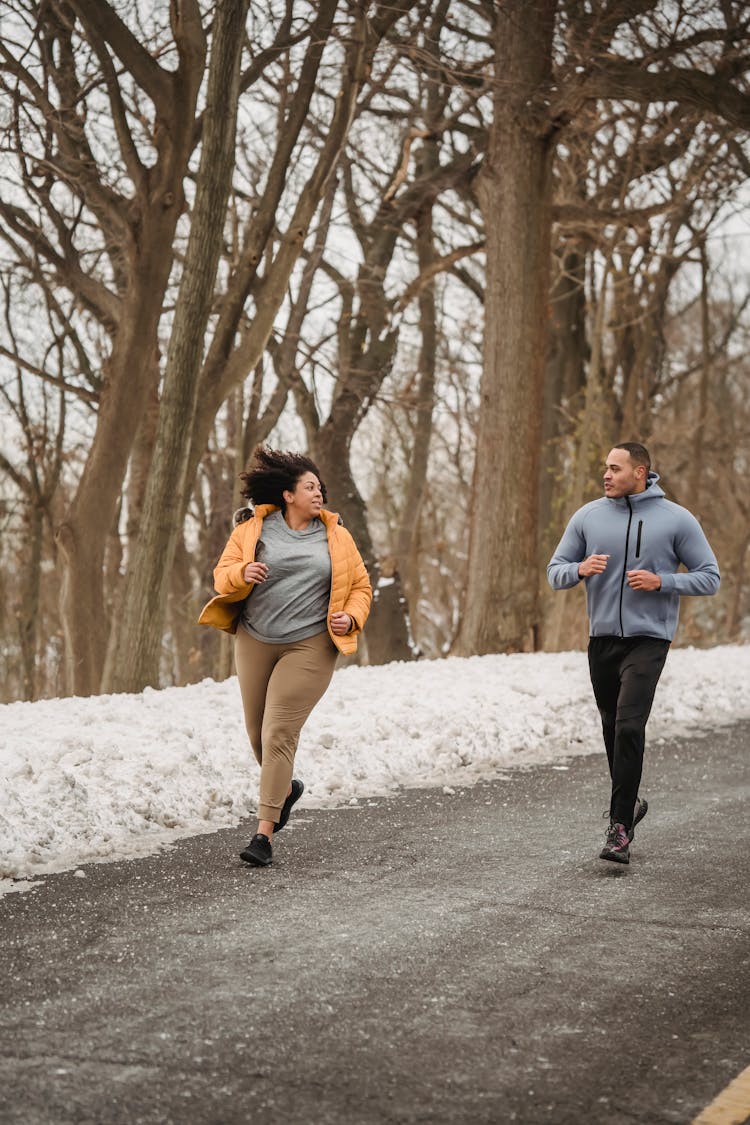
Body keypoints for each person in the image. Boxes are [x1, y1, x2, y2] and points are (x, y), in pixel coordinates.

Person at [198, 446, 372, 868]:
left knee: (278, 733)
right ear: (288, 494)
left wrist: (351, 616)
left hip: (309, 644)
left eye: (320, 488)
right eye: (309, 486)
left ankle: (263, 834)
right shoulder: (253, 529)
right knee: (258, 733)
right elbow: (223, 574)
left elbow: (361, 587)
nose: (319, 493)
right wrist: (243, 574)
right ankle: (286, 788)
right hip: (255, 639)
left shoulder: (337, 536)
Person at [547, 442, 720, 865]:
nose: (606, 475)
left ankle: (619, 828)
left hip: (649, 639)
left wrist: (663, 582)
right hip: (602, 639)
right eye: (604, 467)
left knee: (628, 726)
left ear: (640, 472)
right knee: (612, 728)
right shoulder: (587, 516)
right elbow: (556, 572)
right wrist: (579, 570)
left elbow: (709, 577)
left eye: (615, 468)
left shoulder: (677, 519)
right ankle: (630, 803)